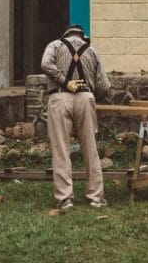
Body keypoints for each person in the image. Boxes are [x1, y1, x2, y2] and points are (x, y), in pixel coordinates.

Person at [41, 23, 111, 210]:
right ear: (83, 37)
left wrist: (65, 81)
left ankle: (65, 198)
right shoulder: (92, 50)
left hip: (59, 96)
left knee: (61, 148)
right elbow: (104, 85)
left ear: (65, 34)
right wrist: (92, 96)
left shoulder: (54, 45)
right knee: (90, 147)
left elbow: (45, 64)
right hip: (85, 98)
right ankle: (96, 197)